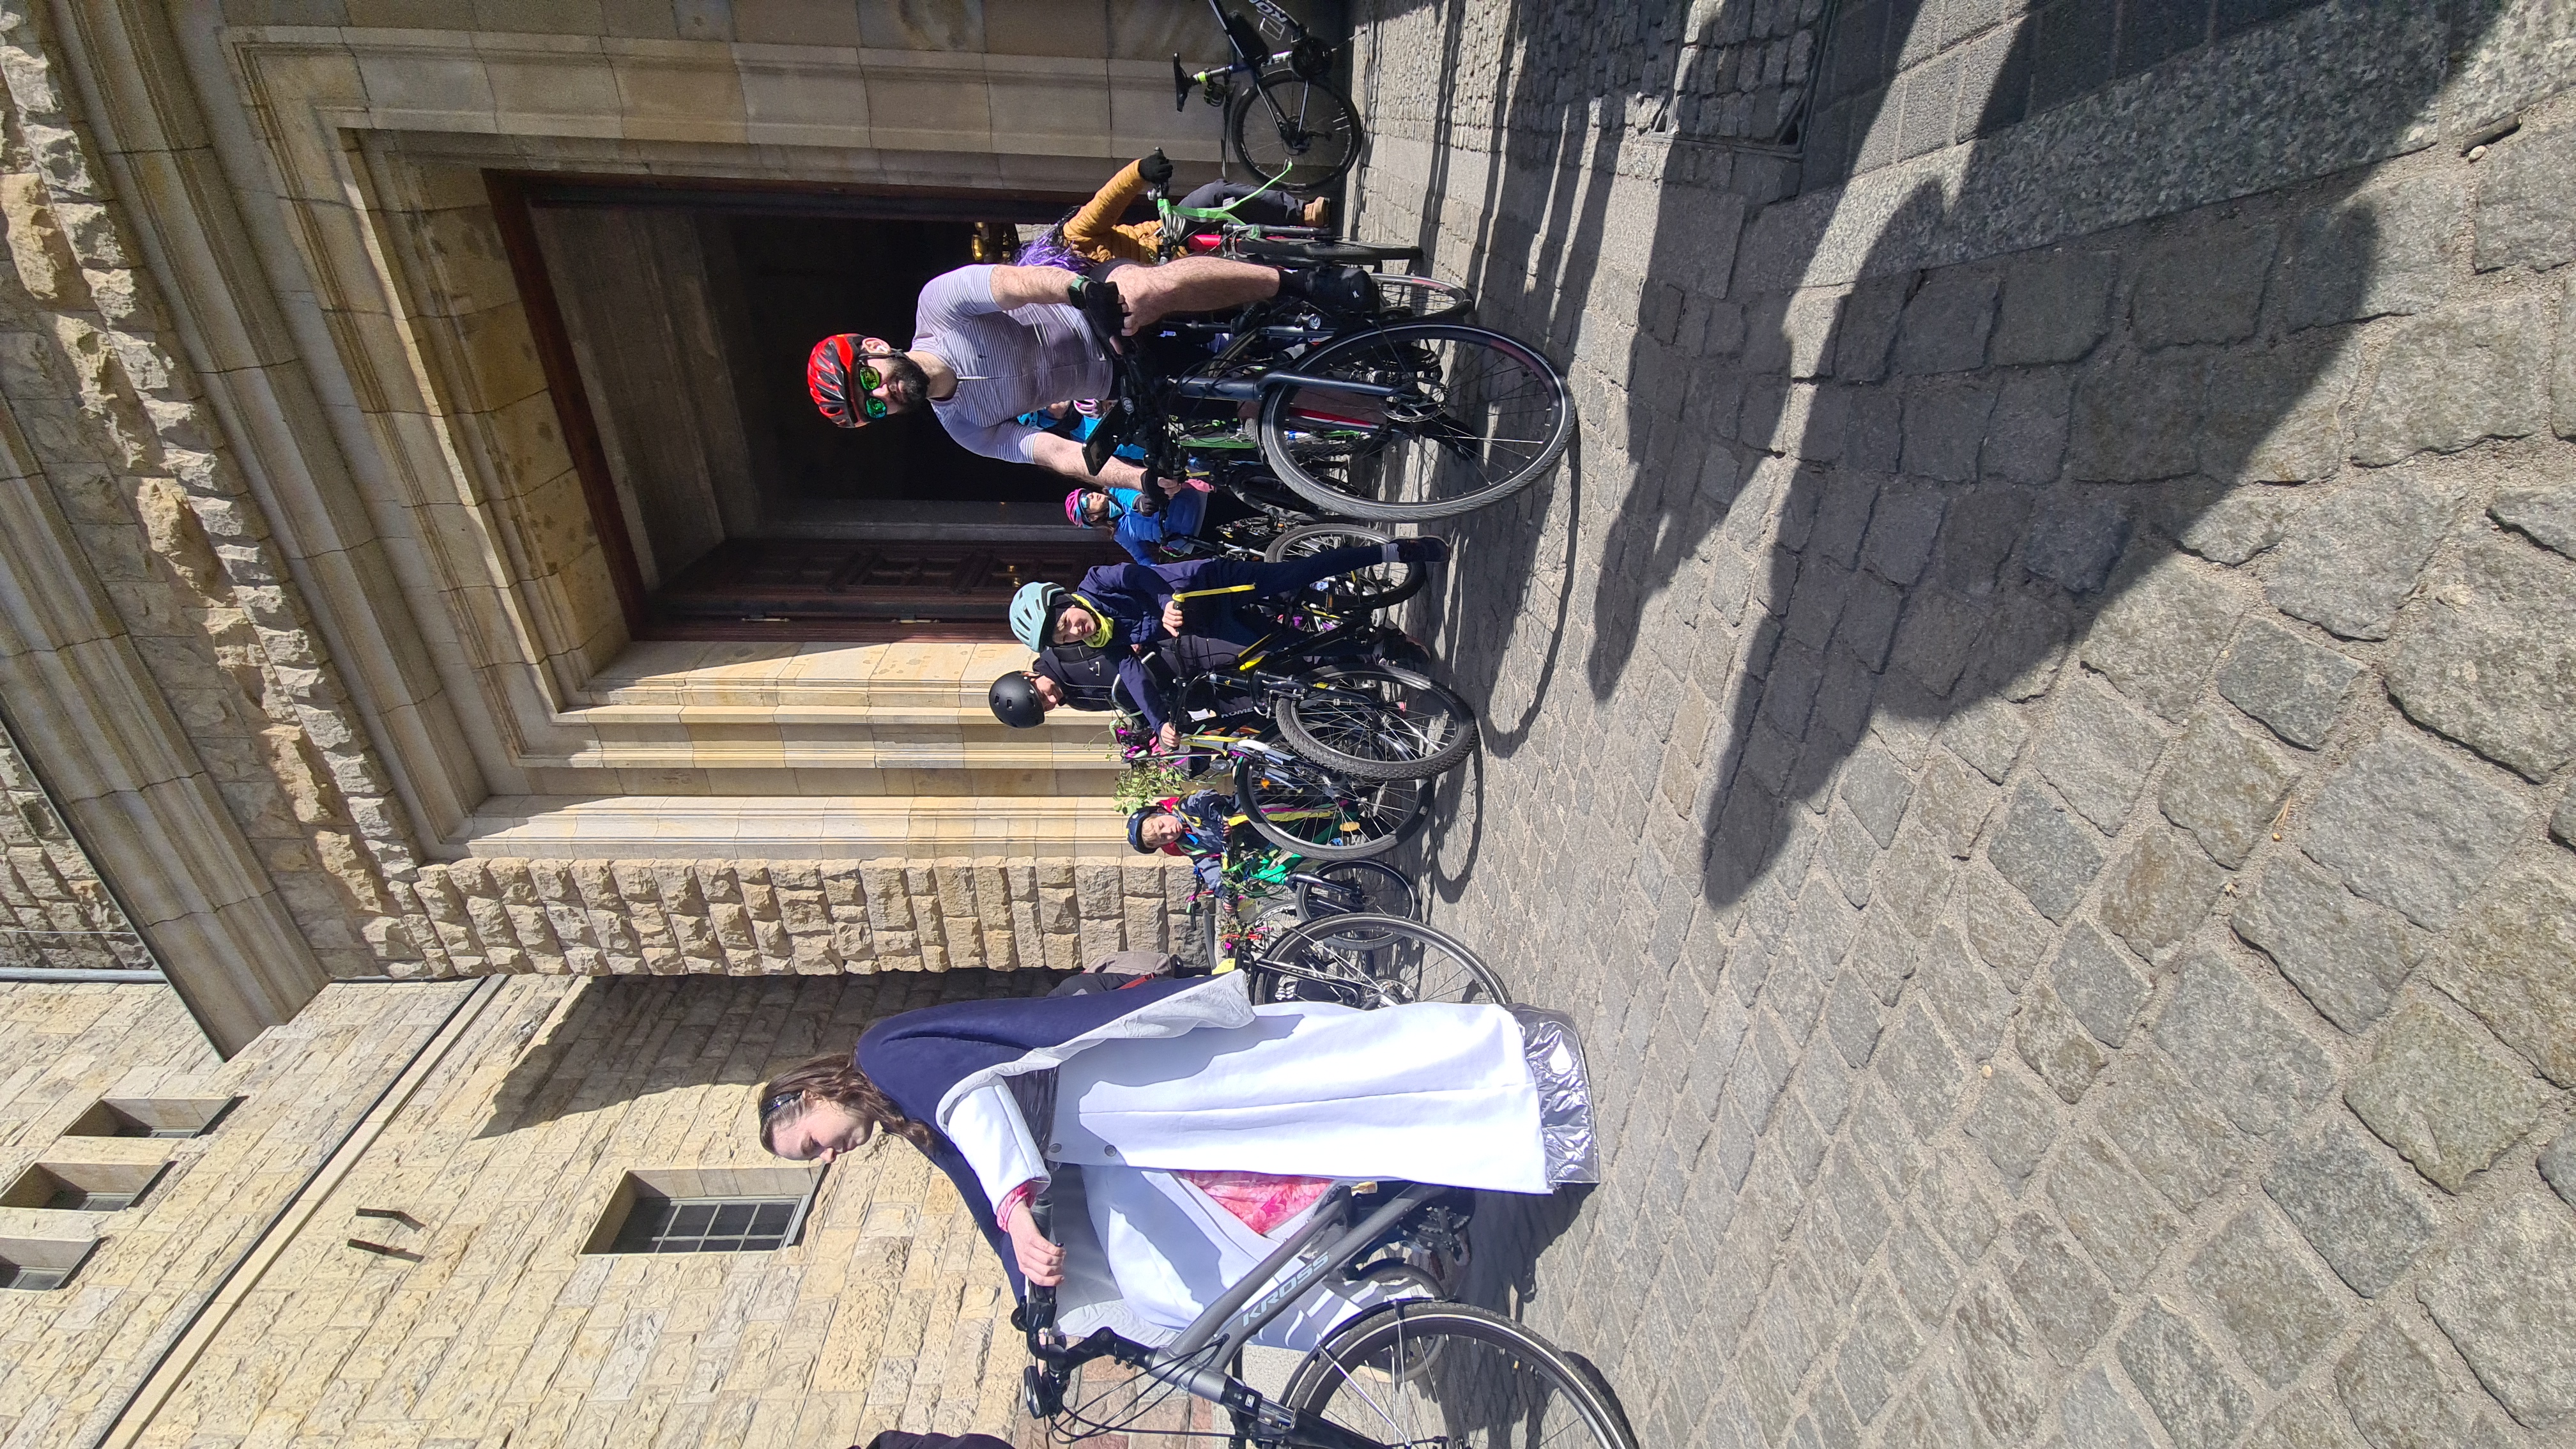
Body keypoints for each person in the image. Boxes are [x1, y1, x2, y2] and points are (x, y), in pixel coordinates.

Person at [754, 973, 1597, 1348]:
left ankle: (1518, 1070)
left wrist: (1016, 1210)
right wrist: (1037, 1310)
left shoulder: (883, 1056)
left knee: (1318, 1080)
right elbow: (984, 1191)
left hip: (1127, 1082)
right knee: (1166, 1276)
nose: (829, 1154)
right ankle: (1378, 1307)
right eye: (813, 1160)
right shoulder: (903, 1119)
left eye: (811, 1140)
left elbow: (973, 1101)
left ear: (812, 1093)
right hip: (1109, 1143)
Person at [805, 250, 1375, 488]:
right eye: (874, 406)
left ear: (876, 347)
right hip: (1119, 381)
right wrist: (1136, 480)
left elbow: (1015, 284)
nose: (884, 391)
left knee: (1149, 289)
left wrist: (1080, 291)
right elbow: (1057, 453)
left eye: (868, 378)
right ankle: (1389, 409)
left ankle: (1299, 282)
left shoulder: (939, 307)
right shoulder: (964, 427)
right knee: (1247, 404)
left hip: (1097, 311)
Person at [1034, 149, 1327, 268]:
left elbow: (1105, 203)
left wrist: (1140, 171)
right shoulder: (1076, 300)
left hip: (1167, 234)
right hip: (1166, 282)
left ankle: (1300, 214)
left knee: (1214, 195)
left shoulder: (1073, 236)